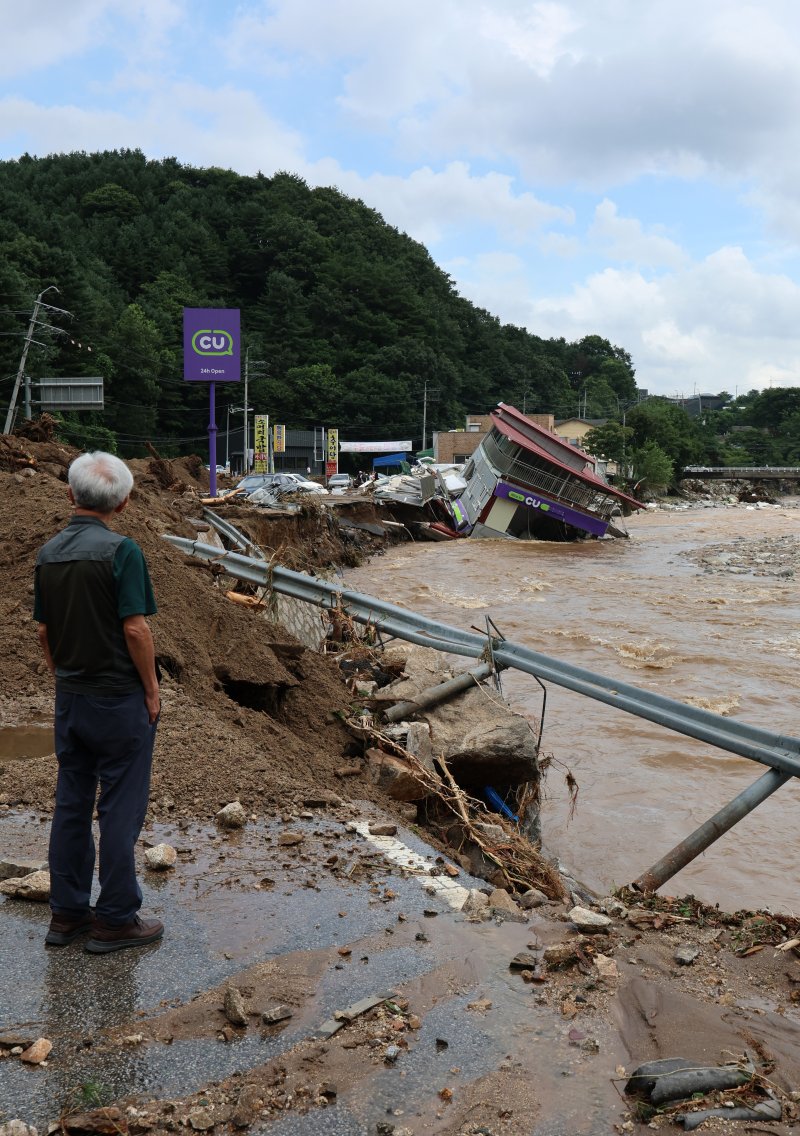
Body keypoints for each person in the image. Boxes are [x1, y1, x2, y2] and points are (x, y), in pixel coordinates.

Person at [34, 451, 163, 953]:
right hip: (118, 700)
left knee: (71, 803)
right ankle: (115, 919)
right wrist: (151, 690)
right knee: (119, 808)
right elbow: (136, 627)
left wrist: (61, 676)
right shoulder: (122, 551)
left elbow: (44, 630)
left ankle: (66, 915)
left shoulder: (48, 554)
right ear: (124, 502)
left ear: (70, 494)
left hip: (72, 698)